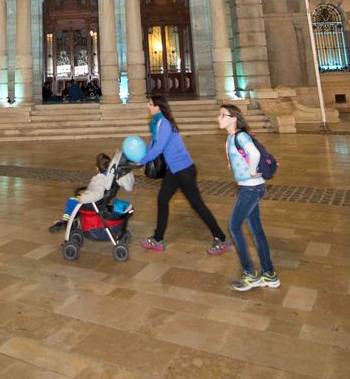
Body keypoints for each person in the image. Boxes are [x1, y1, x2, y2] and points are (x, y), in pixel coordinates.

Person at [139, 95, 230, 255]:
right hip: (174, 171)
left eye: (150, 104)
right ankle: (158, 239)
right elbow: (153, 144)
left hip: (184, 170)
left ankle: (221, 238)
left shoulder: (165, 123)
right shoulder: (158, 123)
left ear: (158, 107)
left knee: (197, 205)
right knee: (162, 200)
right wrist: (143, 159)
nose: (148, 106)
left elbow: (159, 147)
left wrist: (142, 161)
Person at [218, 104, 280, 291]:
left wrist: (252, 170)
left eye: (223, 115)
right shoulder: (230, 139)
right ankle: (269, 274)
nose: (218, 118)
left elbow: (252, 153)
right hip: (250, 188)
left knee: (234, 226)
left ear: (234, 118)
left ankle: (249, 273)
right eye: (219, 115)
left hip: (251, 189)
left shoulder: (241, 136)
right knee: (256, 230)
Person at [48, 152, 134, 232]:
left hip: (93, 202)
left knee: (72, 201)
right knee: (76, 197)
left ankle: (65, 221)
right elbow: (96, 190)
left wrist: (83, 198)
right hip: (95, 199)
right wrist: (86, 192)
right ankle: (71, 220)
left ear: (96, 168)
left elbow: (98, 194)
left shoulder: (100, 180)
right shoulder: (109, 177)